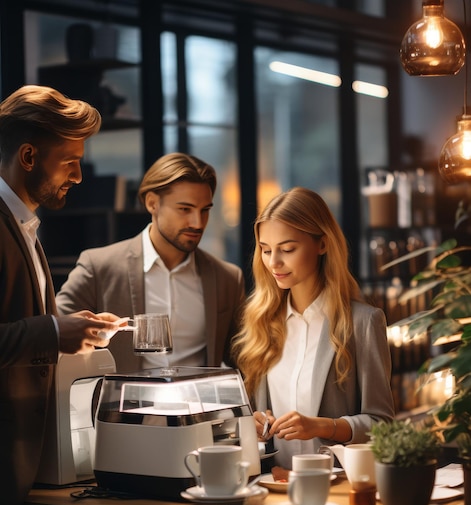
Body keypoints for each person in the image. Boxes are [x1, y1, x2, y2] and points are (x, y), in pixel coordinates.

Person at [0, 85, 121, 505]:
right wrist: (53, 331)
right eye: (69, 161)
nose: (77, 175)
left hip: (25, 476)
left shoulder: (26, 226)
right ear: (29, 156)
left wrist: (79, 333)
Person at [231, 186, 395, 470]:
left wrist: (322, 426)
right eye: (266, 250)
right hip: (274, 485)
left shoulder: (363, 323)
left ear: (322, 244)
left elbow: (382, 425)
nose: (274, 262)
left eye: (287, 249)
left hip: (338, 488)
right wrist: (254, 422)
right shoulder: (260, 322)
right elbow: (254, 419)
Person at [55, 152, 246, 372]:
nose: (197, 222)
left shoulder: (228, 278)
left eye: (204, 210)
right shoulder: (98, 267)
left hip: (201, 406)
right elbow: (54, 335)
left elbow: (245, 359)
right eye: (185, 209)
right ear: (152, 203)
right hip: (122, 404)